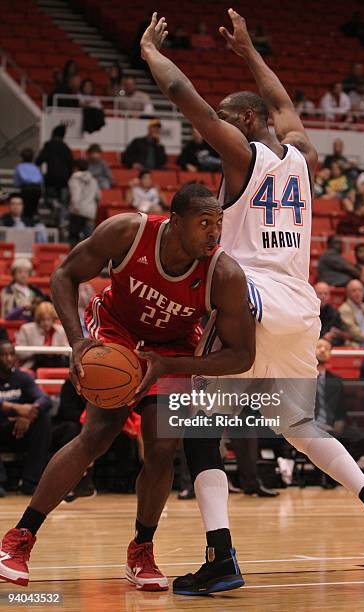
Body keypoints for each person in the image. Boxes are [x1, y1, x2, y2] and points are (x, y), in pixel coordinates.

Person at [140, 9, 364, 594]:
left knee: (195, 423)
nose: (227, 129)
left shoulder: (244, 155)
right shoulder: (301, 159)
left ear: (246, 122)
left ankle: (222, 556)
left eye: (235, 120)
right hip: (298, 305)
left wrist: (152, 55)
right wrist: (249, 51)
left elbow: (189, 100)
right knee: (298, 424)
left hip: (251, 297)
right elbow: (284, 104)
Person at [0, 182, 256, 589]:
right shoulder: (128, 232)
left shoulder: (223, 274)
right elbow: (64, 274)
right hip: (116, 333)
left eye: (218, 223)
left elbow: (242, 355)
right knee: (98, 433)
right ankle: (19, 539)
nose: (214, 232)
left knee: (161, 447)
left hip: (171, 350)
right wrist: (79, 341)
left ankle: (141, 550)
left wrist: (170, 364)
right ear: (174, 222)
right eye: (204, 222)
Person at [315, 338, 364, 484]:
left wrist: (340, 421)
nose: (322, 350)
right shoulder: (301, 377)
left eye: (326, 348)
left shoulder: (336, 380)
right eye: (319, 346)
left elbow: (341, 408)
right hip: (311, 426)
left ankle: (332, 474)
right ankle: (331, 475)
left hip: (332, 425)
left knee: (363, 440)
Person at [0, 341, 52, 496]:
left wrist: (30, 413)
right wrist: (14, 408)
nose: (9, 358)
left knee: (44, 420)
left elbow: (44, 399)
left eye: (11, 354)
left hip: (19, 428)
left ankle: (29, 482)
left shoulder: (22, 377)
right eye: (4, 355)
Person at [16, 302, 69, 370]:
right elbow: (20, 354)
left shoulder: (60, 330)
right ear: (38, 319)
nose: (46, 323)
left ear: (53, 319)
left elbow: (67, 352)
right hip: (34, 363)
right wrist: (36, 352)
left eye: (48, 319)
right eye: (43, 320)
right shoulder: (26, 329)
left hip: (57, 363)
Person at [36, 125, 74, 206]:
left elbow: (39, 160)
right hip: (64, 179)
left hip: (51, 178)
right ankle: (61, 211)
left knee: (49, 199)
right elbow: (71, 163)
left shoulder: (48, 145)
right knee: (63, 202)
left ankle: (52, 205)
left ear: (53, 134)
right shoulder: (66, 147)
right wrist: (68, 176)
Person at [68, 159, 100, 246]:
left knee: (73, 238)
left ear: (76, 168)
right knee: (88, 240)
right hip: (90, 212)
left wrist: (75, 206)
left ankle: (74, 258)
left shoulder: (74, 178)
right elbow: (98, 196)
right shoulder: (93, 180)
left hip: (77, 211)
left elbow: (76, 194)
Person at [314, 281, 349, 345]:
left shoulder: (334, 314)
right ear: (313, 295)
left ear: (329, 296)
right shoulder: (308, 313)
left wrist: (333, 336)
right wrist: (323, 337)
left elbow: (343, 336)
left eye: (326, 294)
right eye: (320, 293)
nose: (323, 296)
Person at [13, 149, 43, 219]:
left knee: (26, 208)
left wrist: (18, 186)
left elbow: (16, 182)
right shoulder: (35, 167)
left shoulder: (19, 167)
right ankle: (33, 219)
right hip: (37, 188)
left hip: (27, 188)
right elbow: (41, 179)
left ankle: (27, 220)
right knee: (34, 207)